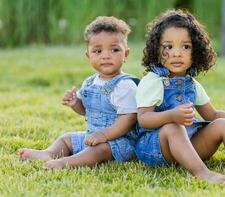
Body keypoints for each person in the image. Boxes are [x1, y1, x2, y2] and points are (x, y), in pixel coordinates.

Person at [135, 9, 225, 184]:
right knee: (173, 127)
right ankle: (203, 173)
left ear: (196, 52)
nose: (176, 53)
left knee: (223, 124)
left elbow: (212, 115)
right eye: (168, 46)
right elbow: (143, 119)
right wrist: (171, 116)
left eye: (186, 46)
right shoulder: (153, 81)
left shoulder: (192, 84)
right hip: (157, 149)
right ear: (156, 50)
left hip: (189, 145)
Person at [18, 16, 139, 170]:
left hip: (119, 142)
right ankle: (49, 153)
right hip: (93, 136)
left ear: (126, 54)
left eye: (114, 50)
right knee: (67, 138)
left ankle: (66, 163)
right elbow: (85, 110)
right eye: (98, 51)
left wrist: (104, 136)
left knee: (99, 150)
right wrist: (75, 103)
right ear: (89, 55)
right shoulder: (90, 82)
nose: (106, 55)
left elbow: (128, 120)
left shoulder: (125, 85)